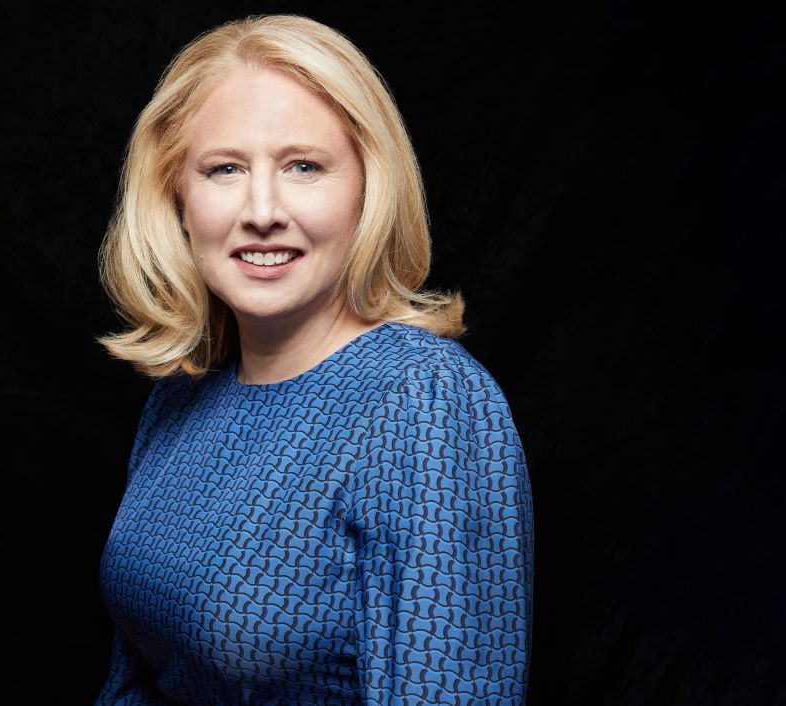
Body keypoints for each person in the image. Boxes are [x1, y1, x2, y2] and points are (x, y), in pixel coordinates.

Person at [93, 14, 535, 705]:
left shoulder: (424, 400)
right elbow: (136, 683)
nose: (262, 210)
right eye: (225, 169)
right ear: (177, 196)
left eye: (303, 166)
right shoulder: (180, 397)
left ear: (368, 187)